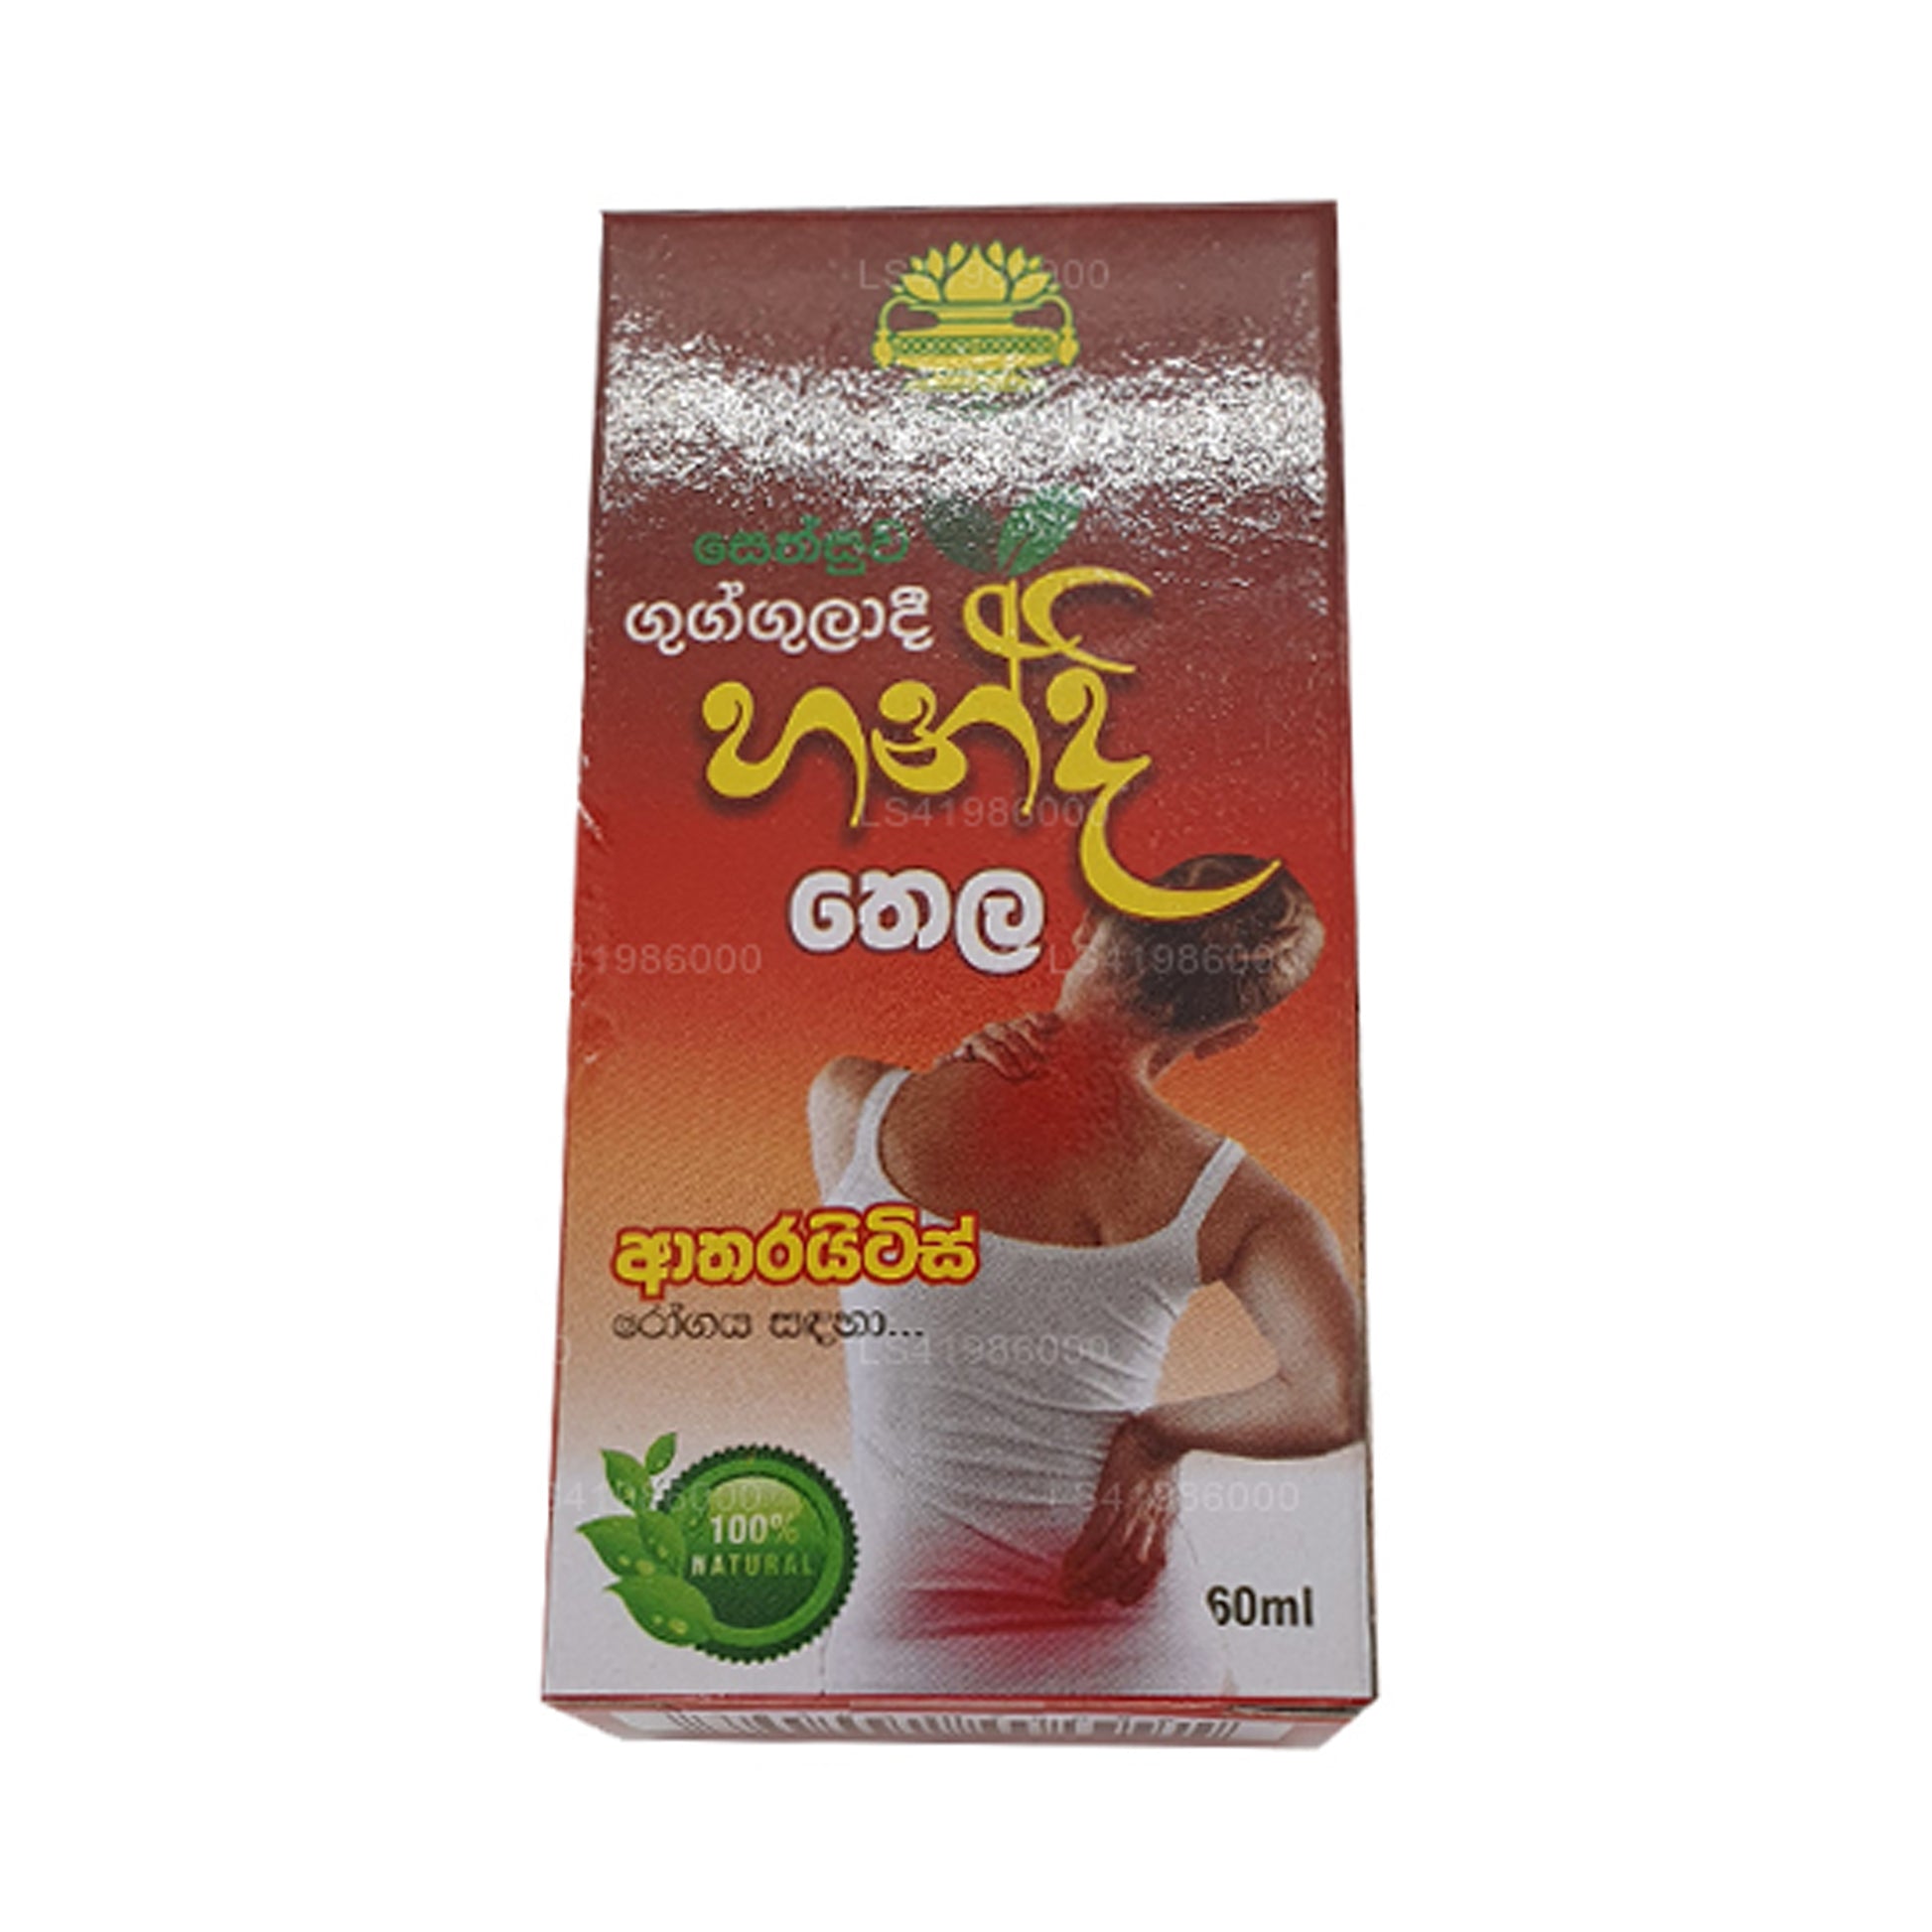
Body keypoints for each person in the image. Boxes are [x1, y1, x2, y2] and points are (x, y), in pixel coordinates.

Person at [811, 855, 1365, 1695]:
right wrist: (1156, 1439)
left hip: (902, 1656)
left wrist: (957, 1065)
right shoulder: (1239, 1201)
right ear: (1229, 1037)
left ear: (1086, 929)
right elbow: (1334, 1400)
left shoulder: (851, 1103)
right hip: (1142, 1654)